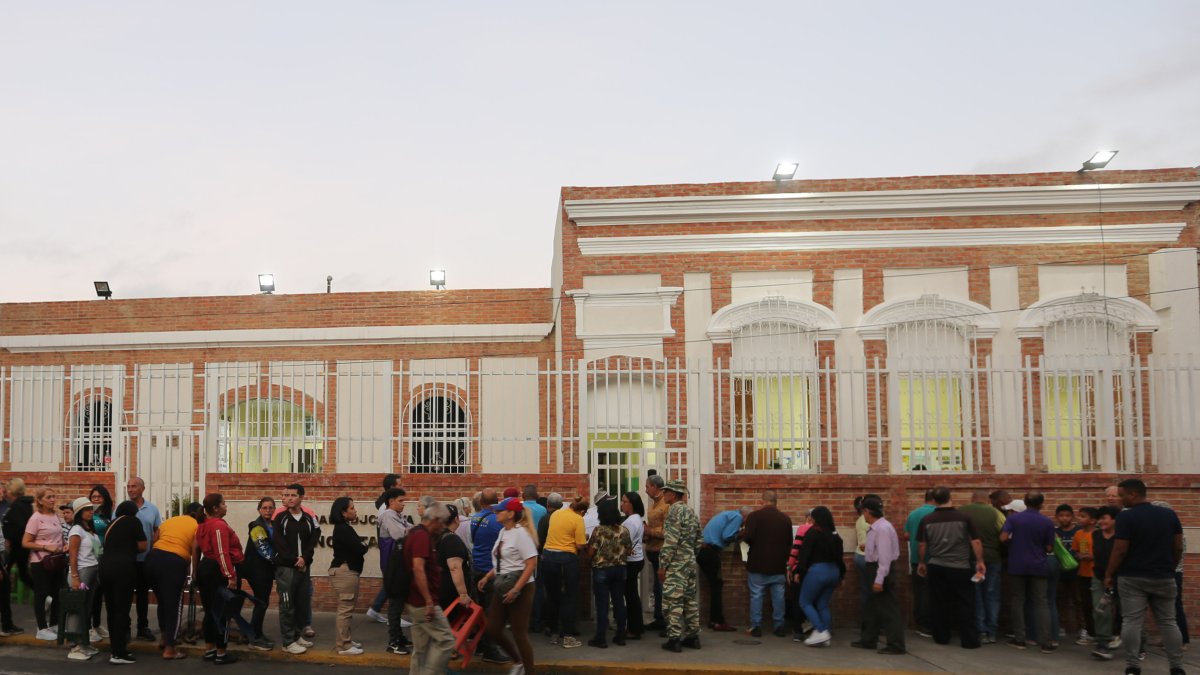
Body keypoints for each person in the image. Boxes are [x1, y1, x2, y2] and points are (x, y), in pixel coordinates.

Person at [1104, 478, 1185, 675]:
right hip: (1163, 576)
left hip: (1132, 577)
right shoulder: (1169, 514)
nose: (1120, 500)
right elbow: (1178, 546)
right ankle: (1176, 667)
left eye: (1122, 495)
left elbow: (1120, 549)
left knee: (1131, 621)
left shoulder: (1126, 517)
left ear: (1133, 494)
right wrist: (1170, 567)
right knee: (1168, 621)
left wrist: (1109, 573)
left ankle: (1133, 666)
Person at [916, 486, 985, 649]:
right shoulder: (964, 517)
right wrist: (980, 561)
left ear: (934, 500)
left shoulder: (927, 520)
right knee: (965, 602)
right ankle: (969, 640)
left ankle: (941, 636)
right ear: (950, 497)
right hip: (960, 566)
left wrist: (921, 562)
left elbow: (922, 544)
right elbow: (975, 541)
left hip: (937, 565)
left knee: (939, 602)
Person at [479, 497, 540, 675]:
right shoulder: (504, 531)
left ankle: (529, 671)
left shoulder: (521, 533)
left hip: (521, 587)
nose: (496, 513)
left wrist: (516, 589)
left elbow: (531, 564)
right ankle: (517, 661)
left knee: (519, 633)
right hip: (502, 584)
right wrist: (488, 576)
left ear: (511, 514)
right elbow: (502, 560)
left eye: (500, 510)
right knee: (493, 629)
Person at [145, 501, 204, 660]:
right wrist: (193, 573)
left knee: (163, 602)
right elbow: (194, 549)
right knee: (174, 606)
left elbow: (154, 538)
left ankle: (164, 639)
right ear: (198, 513)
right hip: (173, 562)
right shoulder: (197, 526)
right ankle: (170, 649)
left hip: (153, 559)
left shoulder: (169, 521)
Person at [999, 491, 1056, 653]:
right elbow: (1050, 547)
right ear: (1041, 504)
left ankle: (1020, 639)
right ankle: (1046, 642)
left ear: (1025, 502)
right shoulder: (1046, 522)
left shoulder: (1013, 519)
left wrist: (1015, 542)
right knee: (1042, 602)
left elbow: (1003, 538)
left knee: (1018, 601)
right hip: (1038, 565)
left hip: (1017, 565)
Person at [403, 502, 455, 675]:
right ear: (435, 520)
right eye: (443, 522)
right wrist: (428, 601)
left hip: (415, 601)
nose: (444, 527)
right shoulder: (421, 536)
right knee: (446, 640)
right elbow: (418, 568)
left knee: (421, 649)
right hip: (422, 602)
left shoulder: (416, 532)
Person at [851, 496, 905, 655]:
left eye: (864, 512)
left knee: (887, 609)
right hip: (872, 568)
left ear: (867, 511)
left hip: (879, 570)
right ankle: (868, 639)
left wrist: (879, 579)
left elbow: (884, 557)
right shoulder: (877, 528)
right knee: (871, 607)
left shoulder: (882, 529)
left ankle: (896, 644)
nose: (863, 516)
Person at [272, 483, 320, 655]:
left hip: (303, 567)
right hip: (286, 568)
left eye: (293, 495)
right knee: (287, 605)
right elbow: (279, 543)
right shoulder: (280, 518)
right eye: (286, 495)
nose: (288, 498)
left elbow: (314, 536)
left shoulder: (308, 518)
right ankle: (287, 641)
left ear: (301, 497)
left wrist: (305, 558)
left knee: (301, 603)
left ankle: (297, 635)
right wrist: (294, 559)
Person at [195, 493, 242, 665]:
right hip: (216, 570)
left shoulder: (203, 524)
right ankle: (221, 653)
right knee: (222, 612)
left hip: (206, 568)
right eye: (223, 503)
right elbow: (222, 553)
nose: (226, 506)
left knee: (210, 611)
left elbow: (197, 548)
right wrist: (230, 576)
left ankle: (210, 650)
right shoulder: (218, 525)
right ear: (215, 508)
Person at [100, 501, 147, 665]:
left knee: (111, 609)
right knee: (122, 609)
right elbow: (143, 545)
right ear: (134, 512)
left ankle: (114, 648)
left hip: (105, 567)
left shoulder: (111, 524)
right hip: (123, 569)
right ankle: (119, 652)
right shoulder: (133, 521)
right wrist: (129, 545)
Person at [658, 479, 702, 653]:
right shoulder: (691, 511)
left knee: (673, 601)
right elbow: (699, 538)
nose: (664, 494)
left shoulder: (674, 511)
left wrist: (663, 565)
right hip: (689, 562)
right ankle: (693, 637)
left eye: (666, 491)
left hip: (675, 565)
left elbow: (671, 541)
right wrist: (690, 555)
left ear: (673, 494)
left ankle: (674, 639)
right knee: (690, 600)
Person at [794, 506, 844, 647]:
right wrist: (841, 575)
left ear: (815, 518)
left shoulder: (813, 532)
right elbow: (840, 557)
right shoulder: (835, 534)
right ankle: (826, 635)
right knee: (822, 604)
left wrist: (799, 571)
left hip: (818, 571)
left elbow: (804, 555)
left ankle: (821, 630)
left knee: (805, 602)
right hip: (834, 571)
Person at [542, 493, 588, 649]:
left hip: (548, 557)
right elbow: (581, 545)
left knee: (553, 597)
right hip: (566, 560)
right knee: (568, 597)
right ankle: (568, 636)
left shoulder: (556, 514)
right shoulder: (578, 519)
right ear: (582, 511)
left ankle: (554, 633)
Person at [470, 488, 511, 664]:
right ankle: (490, 650)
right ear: (497, 501)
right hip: (490, 570)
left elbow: (473, 539)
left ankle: (480, 644)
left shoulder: (475, 518)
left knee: (480, 611)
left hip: (477, 567)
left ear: (481, 502)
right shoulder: (497, 521)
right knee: (492, 612)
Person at [744, 491, 792, 638]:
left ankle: (756, 627)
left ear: (762, 501)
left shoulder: (754, 517)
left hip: (758, 563)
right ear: (776, 502)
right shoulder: (785, 519)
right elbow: (789, 542)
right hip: (778, 565)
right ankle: (779, 626)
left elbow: (748, 538)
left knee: (756, 595)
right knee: (778, 597)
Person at [959, 489, 1004, 643]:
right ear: (987, 500)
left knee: (976, 595)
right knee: (991, 595)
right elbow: (1005, 535)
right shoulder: (996, 513)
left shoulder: (962, 511)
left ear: (973, 498)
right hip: (992, 558)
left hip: (970, 558)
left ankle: (980, 630)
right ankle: (992, 631)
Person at [22, 486, 66, 641]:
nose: (52, 500)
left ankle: (54, 624)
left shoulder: (55, 515)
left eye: (53, 496)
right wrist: (45, 546)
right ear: (40, 500)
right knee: (41, 594)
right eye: (49, 497)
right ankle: (41, 628)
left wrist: (63, 546)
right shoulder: (35, 518)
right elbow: (25, 542)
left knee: (58, 593)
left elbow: (57, 537)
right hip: (41, 562)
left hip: (56, 560)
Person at [588, 497, 632, 648]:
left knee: (602, 604)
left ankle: (601, 638)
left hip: (601, 570)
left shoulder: (599, 531)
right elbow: (629, 550)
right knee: (619, 601)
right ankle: (620, 635)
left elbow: (591, 551)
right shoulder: (624, 530)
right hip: (620, 569)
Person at [328, 496, 367, 656]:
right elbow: (359, 548)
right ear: (343, 512)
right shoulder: (343, 529)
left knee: (347, 608)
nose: (355, 510)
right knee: (345, 609)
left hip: (347, 571)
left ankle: (347, 640)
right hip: (345, 572)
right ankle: (343, 645)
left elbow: (358, 545)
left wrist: (361, 545)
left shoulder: (344, 527)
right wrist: (362, 545)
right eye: (352, 508)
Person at [697, 506, 745, 633]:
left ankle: (714, 620)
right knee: (717, 586)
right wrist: (740, 534)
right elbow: (727, 536)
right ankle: (718, 622)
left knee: (714, 585)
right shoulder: (738, 517)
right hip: (710, 551)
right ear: (746, 516)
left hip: (703, 551)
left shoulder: (727, 514)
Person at [376, 486, 412, 654]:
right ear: (391, 502)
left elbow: (410, 528)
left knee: (398, 601)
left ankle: (398, 636)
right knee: (395, 604)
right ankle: (394, 641)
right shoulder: (389, 516)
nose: (404, 504)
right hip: (393, 565)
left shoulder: (397, 515)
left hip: (397, 564)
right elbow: (400, 534)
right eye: (401, 501)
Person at [65, 496, 101, 660]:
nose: (90, 512)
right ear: (79, 512)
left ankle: (84, 643)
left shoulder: (89, 530)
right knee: (77, 608)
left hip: (92, 571)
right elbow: (73, 555)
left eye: (91, 509)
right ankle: (75, 644)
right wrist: (75, 578)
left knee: (86, 609)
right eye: (87, 509)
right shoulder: (76, 530)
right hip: (82, 572)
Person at [126, 477, 161, 642]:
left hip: (144, 560)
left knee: (142, 595)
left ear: (142, 489)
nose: (130, 489)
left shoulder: (152, 509)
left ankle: (142, 627)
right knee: (125, 595)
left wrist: (153, 547)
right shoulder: (122, 509)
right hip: (126, 560)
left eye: (134, 486)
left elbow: (157, 530)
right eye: (128, 486)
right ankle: (125, 627)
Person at [366, 474, 402, 625]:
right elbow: (394, 532)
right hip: (391, 550)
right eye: (400, 484)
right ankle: (391, 617)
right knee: (393, 581)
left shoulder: (385, 506)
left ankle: (376, 609)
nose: (403, 487)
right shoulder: (385, 509)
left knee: (392, 581)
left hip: (390, 550)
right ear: (393, 487)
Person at [243, 497, 277, 650]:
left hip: (266, 571)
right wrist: (282, 560)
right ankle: (253, 638)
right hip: (256, 571)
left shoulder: (273, 525)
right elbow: (264, 550)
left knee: (263, 603)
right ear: (259, 510)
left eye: (270, 507)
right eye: (265, 508)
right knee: (261, 603)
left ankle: (257, 633)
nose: (268, 510)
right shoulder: (257, 526)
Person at [902, 489, 935, 636]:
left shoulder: (913, 514)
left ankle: (920, 623)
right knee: (932, 592)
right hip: (935, 558)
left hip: (916, 558)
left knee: (919, 592)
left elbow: (906, 535)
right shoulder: (938, 513)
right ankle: (929, 624)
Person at [1090, 506, 1120, 660]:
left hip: (1121, 579)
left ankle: (1139, 645)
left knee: (1129, 612)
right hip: (1099, 578)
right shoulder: (1095, 535)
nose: (1101, 521)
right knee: (1100, 609)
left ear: (1114, 519)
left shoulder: (1122, 535)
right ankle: (1102, 643)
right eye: (1099, 518)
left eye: (1104, 518)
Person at [87, 485, 114, 639]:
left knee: (99, 595)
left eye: (99, 497)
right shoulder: (89, 516)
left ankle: (96, 624)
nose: (96, 499)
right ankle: (89, 626)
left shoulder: (109, 515)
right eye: (93, 497)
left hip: (105, 558)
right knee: (91, 594)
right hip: (91, 558)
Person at [643, 474, 669, 631]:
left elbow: (668, 531)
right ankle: (659, 618)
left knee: (663, 587)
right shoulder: (654, 504)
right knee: (656, 588)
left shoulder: (666, 505)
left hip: (662, 551)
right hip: (653, 549)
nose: (645, 490)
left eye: (647, 487)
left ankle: (667, 622)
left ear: (655, 487)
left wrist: (650, 531)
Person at [1052, 503, 1081, 641]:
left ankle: (1083, 628)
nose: (1064, 518)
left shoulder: (1079, 531)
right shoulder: (1054, 532)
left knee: (1079, 600)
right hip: (1059, 571)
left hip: (1077, 571)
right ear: (1056, 517)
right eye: (1061, 516)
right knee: (1059, 599)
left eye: (1068, 516)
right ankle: (1061, 626)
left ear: (1072, 517)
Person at [619, 491, 646, 640]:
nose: (622, 504)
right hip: (636, 560)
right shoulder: (636, 519)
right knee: (632, 595)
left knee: (630, 596)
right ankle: (637, 626)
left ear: (632, 504)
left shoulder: (631, 522)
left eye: (624, 502)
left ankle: (634, 629)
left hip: (631, 562)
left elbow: (624, 542)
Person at [436, 505, 473, 613]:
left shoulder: (435, 536)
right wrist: (463, 594)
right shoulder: (451, 540)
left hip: (438, 588)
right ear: (456, 519)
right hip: (450, 593)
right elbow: (455, 568)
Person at [852, 494, 882, 621]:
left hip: (859, 556)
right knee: (873, 591)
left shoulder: (859, 520)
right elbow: (869, 543)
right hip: (867, 557)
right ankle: (873, 621)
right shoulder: (868, 521)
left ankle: (867, 621)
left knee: (866, 590)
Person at [1072, 506, 1098, 645]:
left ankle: (1101, 632)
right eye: (1079, 516)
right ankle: (1089, 632)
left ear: (1093, 520)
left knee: (1098, 605)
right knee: (1086, 604)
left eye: (1083, 516)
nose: (1079, 519)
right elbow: (1076, 550)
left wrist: (1091, 556)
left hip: (1095, 574)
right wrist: (1080, 555)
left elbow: (1103, 553)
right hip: (1083, 573)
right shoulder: (1079, 534)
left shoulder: (1098, 534)